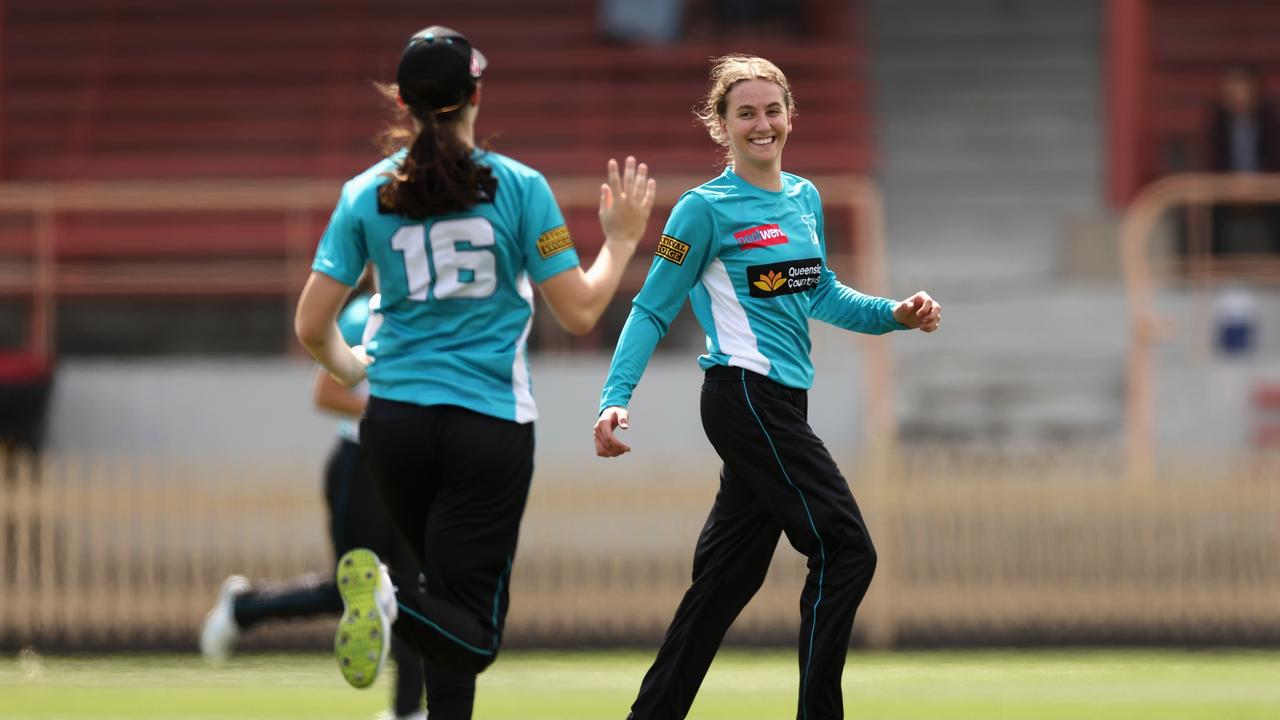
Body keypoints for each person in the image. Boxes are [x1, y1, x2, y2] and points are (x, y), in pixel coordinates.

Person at [293, 25, 656, 720]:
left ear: (401, 100)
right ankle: (388, 601)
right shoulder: (520, 187)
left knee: (444, 601)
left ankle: (399, 607)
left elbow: (312, 326)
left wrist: (353, 365)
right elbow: (579, 310)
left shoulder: (363, 194)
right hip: (487, 423)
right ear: (476, 95)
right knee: (475, 634)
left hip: (394, 424)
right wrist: (620, 242)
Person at [592, 55, 940, 720]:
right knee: (846, 549)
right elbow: (651, 308)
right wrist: (616, 396)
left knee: (725, 581)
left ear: (790, 117)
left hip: (782, 404)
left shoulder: (803, 199)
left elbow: (823, 295)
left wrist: (894, 314)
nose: (762, 124)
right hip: (743, 396)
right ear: (719, 126)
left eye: (772, 110)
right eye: (745, 113)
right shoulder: (703, 210)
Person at [199, 277, 427, 720]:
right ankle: (244, 607)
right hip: (362, 469)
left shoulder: (424, 315)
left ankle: (407, 711)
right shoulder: (365, 315)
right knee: (355, 589)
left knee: (413, 590)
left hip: (409, 472)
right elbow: (325, 391)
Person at [1206, 62, 1280, 255]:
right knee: (1199, 212)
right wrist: (1233, 187)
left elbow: (1275, 158)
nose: (1236, 94)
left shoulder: (1270, 118)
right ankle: (1211, 273)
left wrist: (1256, 187)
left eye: (1241, 88)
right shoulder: (1217, 119)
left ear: (1255, 89)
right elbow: (1213, 161)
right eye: (1231, 88)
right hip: (1227, 188)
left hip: (1267, 188)